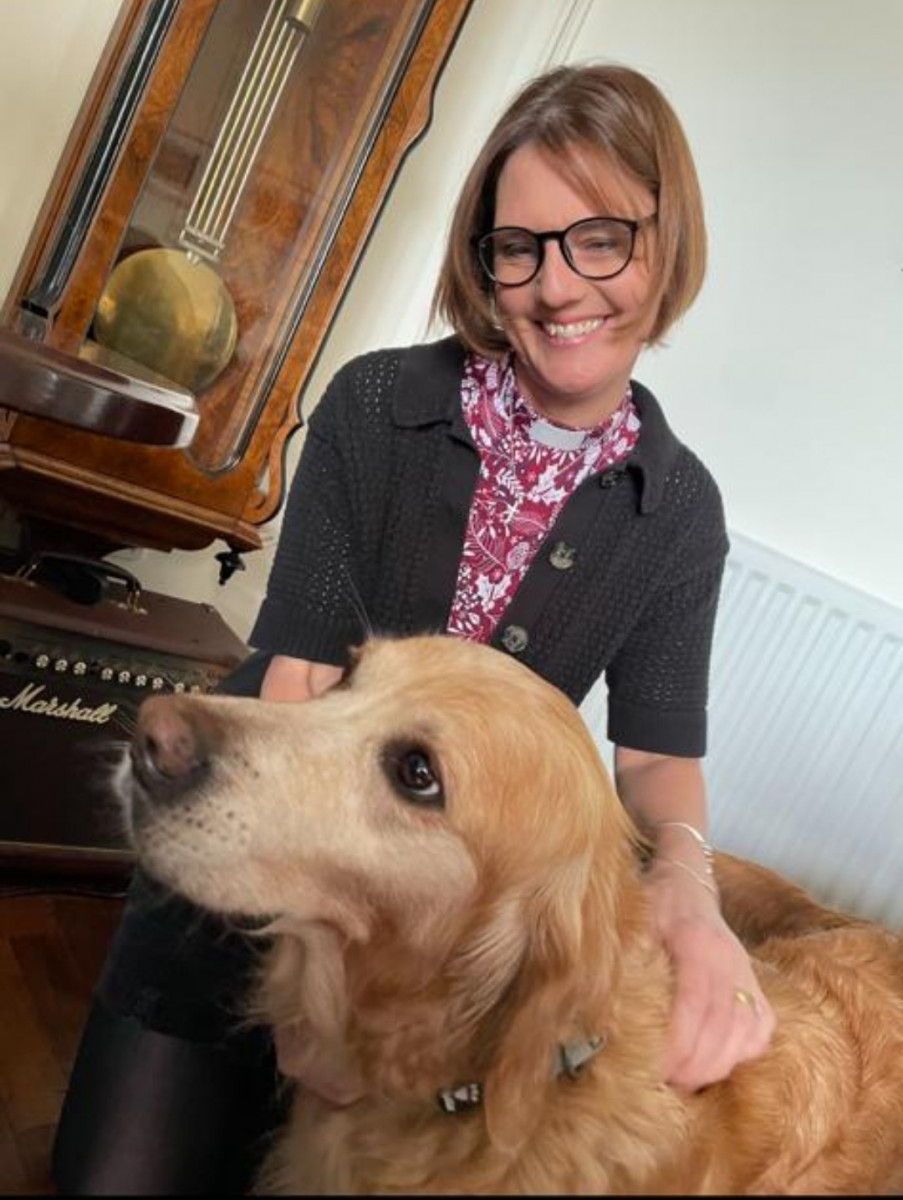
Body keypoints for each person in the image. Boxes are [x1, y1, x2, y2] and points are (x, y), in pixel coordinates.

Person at [52, 61, 774, 1195]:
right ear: (485, 262)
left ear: (664, 244)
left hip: (433, 937)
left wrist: (688, 893)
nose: (554, 284)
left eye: (601, 239)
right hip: (264, 817)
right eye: (518, 246)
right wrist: (295, 981)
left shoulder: (680, 513)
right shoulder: (376, 405)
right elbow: (294, 672)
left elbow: (656, 756)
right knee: (122, 1177)